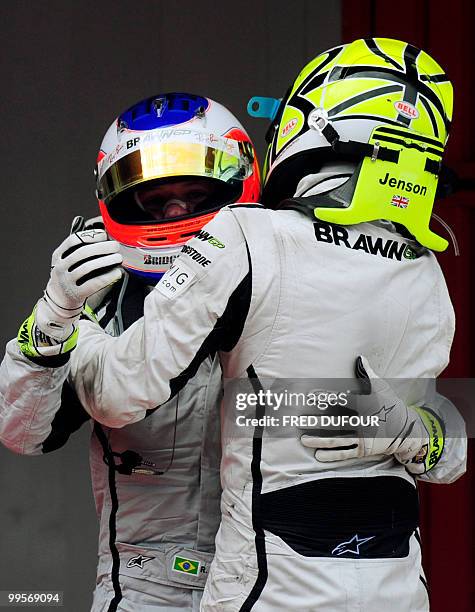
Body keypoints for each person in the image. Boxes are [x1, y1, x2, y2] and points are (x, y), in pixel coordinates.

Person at [55, 39, 466, 611]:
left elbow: (116, 394)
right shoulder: (426, 269)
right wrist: (393, 427)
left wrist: (77, 322)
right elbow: (452, 451)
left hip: (269, 590)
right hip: (397, 591)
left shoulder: (247, 236)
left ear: (309, 124)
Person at [0, 92, 261, 611]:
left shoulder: (286, 278)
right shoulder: (100, 295)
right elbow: (22, 433)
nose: (177, 212)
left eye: (196, 193)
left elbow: (381, 411)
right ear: (119, 203)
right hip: (146, 590)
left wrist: (416, 431)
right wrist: (53, 314)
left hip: (270, 581)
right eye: (156, 199)